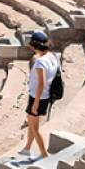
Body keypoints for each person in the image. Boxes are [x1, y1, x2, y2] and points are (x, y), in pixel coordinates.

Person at [19, 32, 60, 160]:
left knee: (34, 128)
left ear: (34, 46)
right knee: (31, 123)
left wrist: (35, 103)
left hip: (38, 97)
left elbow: (41, 83)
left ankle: (44, 155)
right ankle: (27, 148)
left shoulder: (40, 62)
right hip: (45, 96)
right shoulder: (52, 56)